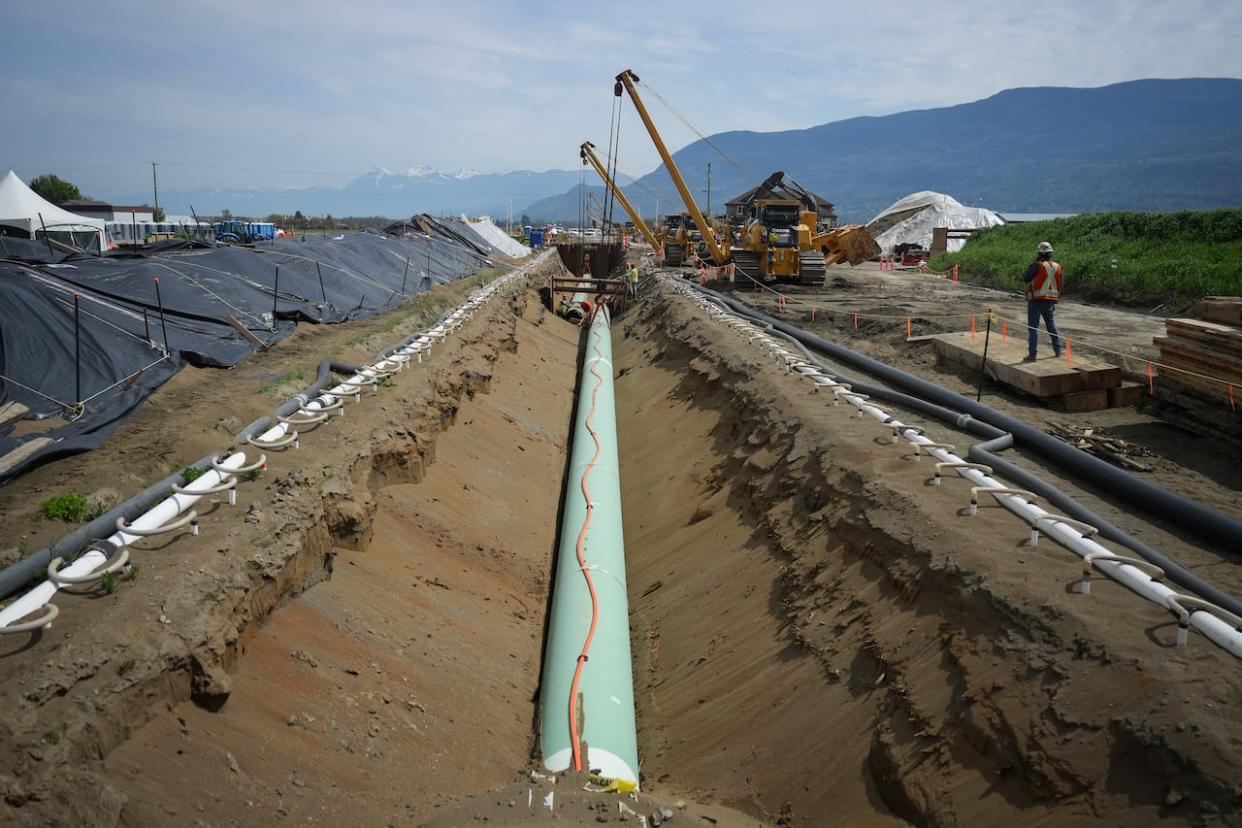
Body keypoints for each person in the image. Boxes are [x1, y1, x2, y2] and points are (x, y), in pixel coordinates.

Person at [1023, 241, 1063, 361]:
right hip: (1050, 301)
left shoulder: (1037, 265)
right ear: (1050, 253)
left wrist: (1032, 264)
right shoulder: (1058, 266)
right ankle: (1057, 350)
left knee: (1033, 328)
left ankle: (1032, 355)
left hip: (1036, 300)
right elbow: (1060, 286)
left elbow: (1026, 278)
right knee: (1051, 326)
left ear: (1039, 253)